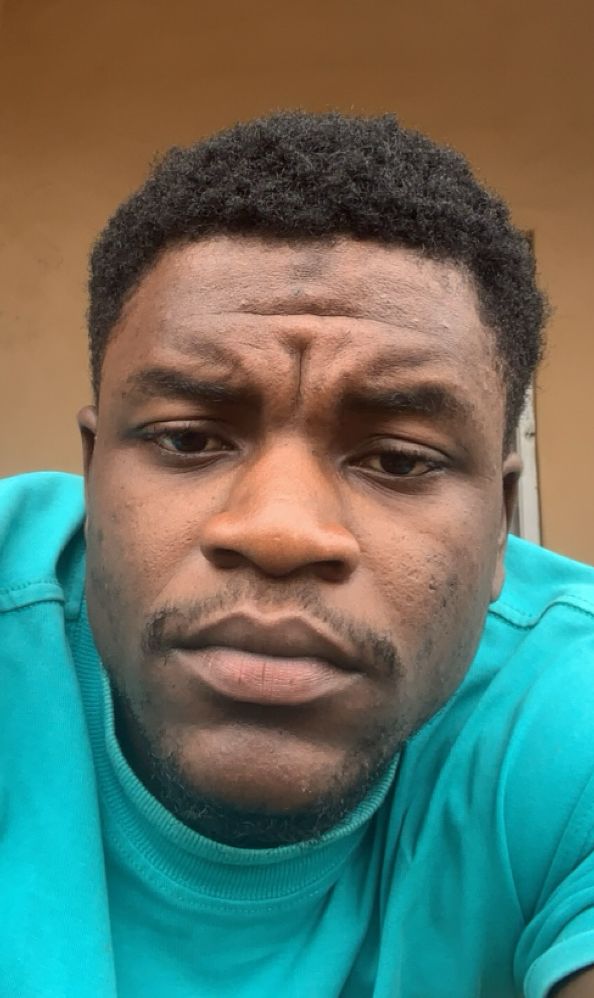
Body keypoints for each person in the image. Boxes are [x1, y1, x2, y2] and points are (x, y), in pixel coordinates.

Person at [1, 111, 594, 998]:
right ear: (92, 474)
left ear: (501, 522)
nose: (279, 533)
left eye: (399, 460)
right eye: (188, 439)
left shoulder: (563, 714)